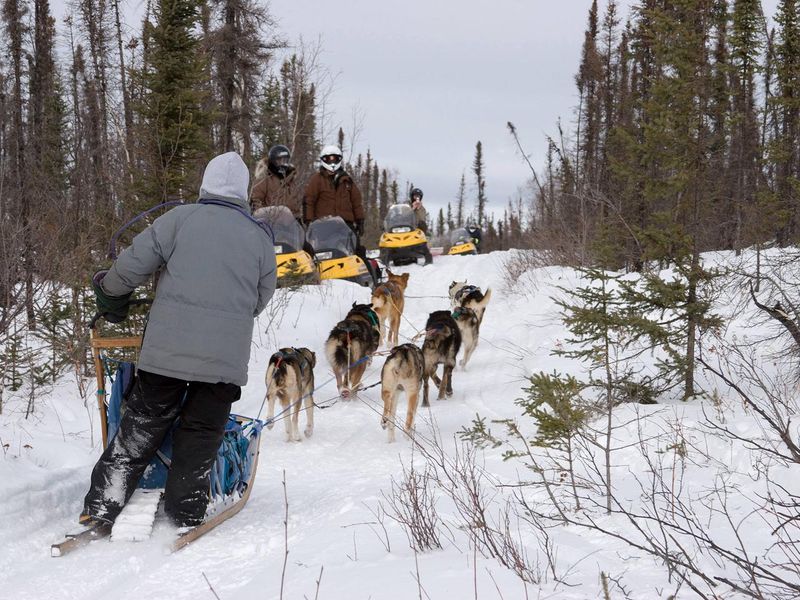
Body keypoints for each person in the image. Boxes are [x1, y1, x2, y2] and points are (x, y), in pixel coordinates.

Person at [82, 151, 277, 528]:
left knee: (141, 427)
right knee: (200, 436)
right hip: (222, 363)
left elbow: (132, 265)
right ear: (242, 192)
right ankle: (184, 513)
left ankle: (103, 505)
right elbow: (260, 298)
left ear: (205, 185)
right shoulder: (259, 238)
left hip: (166, 355)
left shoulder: (178, 219)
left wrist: (109, 290)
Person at [304, 145, 364, 236]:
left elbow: (356, 202)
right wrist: (308, 221)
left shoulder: (347, 180)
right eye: (329, 159)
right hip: (323, 225)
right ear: (324, 160)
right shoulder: (317, 179)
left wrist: (360, 220)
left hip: (345, 226)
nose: (332, 162)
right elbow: (309, 200)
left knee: (356, 244)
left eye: (334, 159)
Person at [250, 144, 303, 223]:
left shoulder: (291, 181)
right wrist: (263, 218)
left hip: (289, 225)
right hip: (269, 222)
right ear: (273, 161)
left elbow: (295, 206)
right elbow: (256, 200)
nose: (283, 164)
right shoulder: (264, 178)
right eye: (280, 161)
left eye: (285, 161)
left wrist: (298, 220)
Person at [409, 187, 433, 265]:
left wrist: (418, 209)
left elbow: (422, 219)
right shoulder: (407, 206)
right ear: (412, 197)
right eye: (415, 196)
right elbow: (405, 216)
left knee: (423, 225)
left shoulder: (422, 209)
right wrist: (412, 209)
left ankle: (426, 254)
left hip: (418, 228)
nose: (417, 198)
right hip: (407, 227)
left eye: (418, 196)